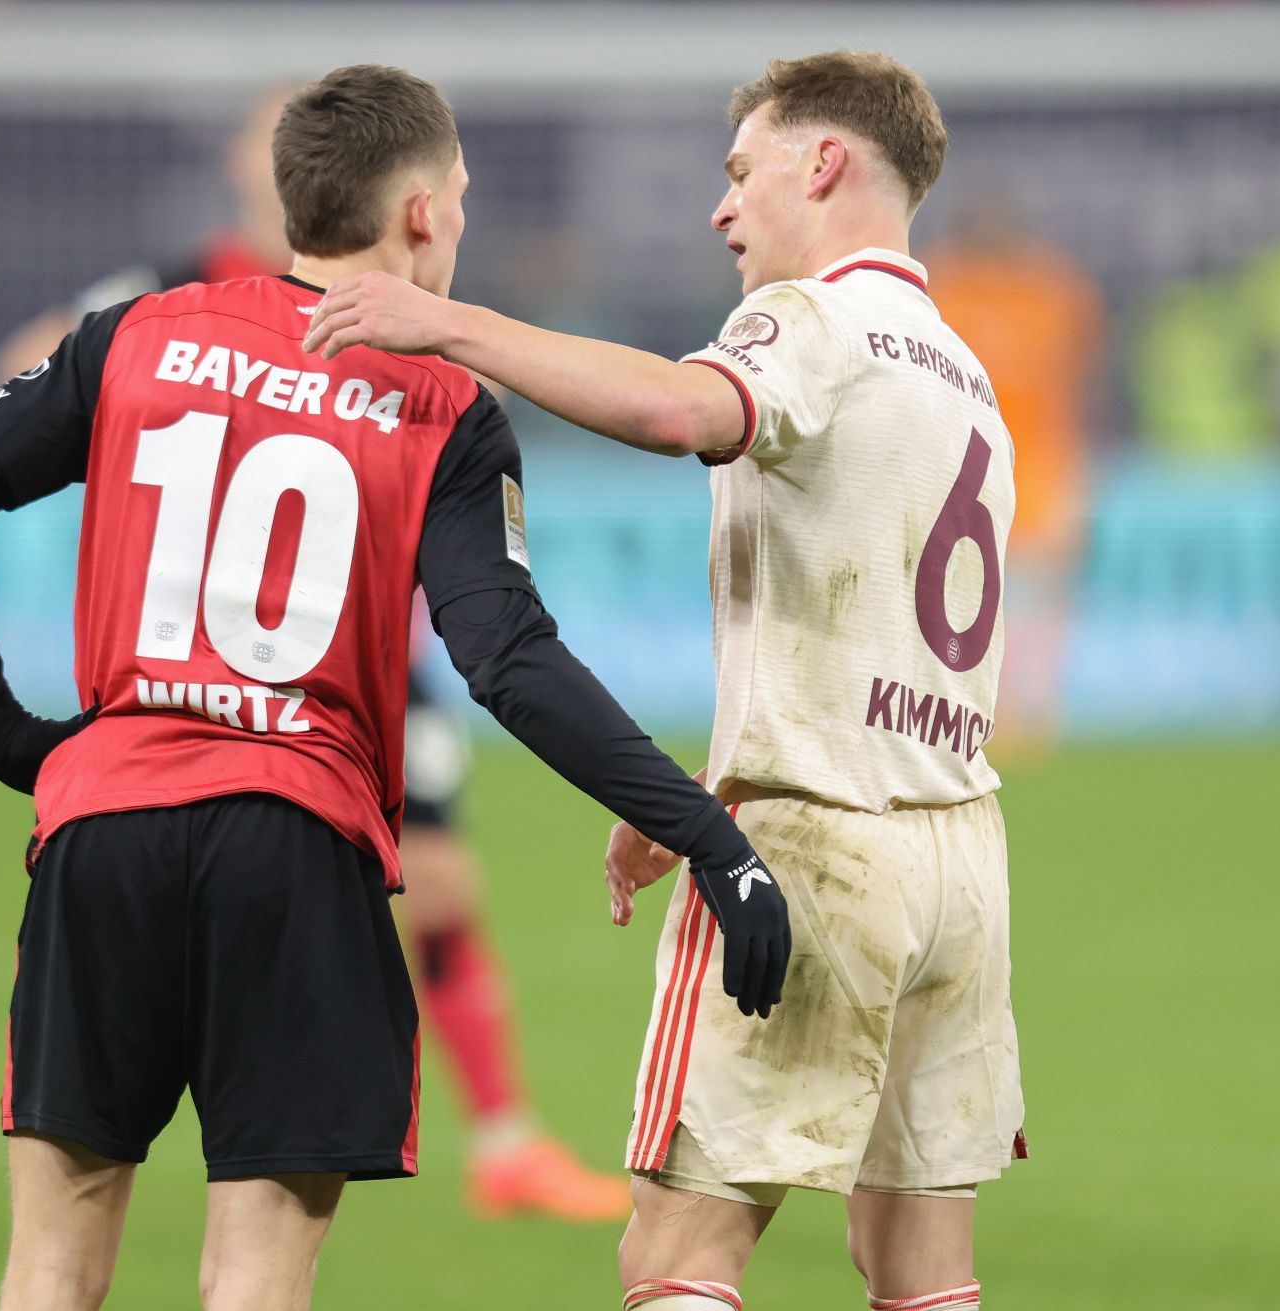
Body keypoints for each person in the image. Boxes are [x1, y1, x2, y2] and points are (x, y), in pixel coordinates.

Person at [0, 65, 789, 1311]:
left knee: (48, 1269)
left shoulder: (142, 332)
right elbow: (507, 657)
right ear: (419, 211)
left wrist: (13, 738)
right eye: (458, 196)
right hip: (294, 846)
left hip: (102, 835)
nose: (460, 219)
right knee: (253, 1278)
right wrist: (706, 834)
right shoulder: (443, 398)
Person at [304, 50, 1024, 1311]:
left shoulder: (812, 319)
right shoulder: (963, 378)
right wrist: (709, 775)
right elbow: (873, 648)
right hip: (960, 863)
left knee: (680, 1256)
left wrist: (452, 327)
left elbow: (685, 412)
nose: (723, 208)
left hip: (817, 848)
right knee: (920, 1269)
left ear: (826, 162)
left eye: (741, 171)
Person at [0, 86, 633, 1222]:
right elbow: (31, 357)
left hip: (367, 650)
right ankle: (489, 1136)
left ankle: (502, 1135)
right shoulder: (169, 292)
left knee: (438, 882)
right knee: (377, 880)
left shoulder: (394, 299)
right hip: (214, 668)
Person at [919, 196, 1106, 748]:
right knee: (967, 586)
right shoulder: (939, 284)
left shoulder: (1058, 290)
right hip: (965, 461)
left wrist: (1090, 451)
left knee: (1043, 586)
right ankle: (977, 711)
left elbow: (1089, 378)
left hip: (1046, 458)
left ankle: (1036, 707)